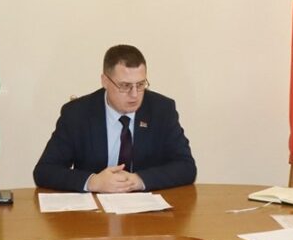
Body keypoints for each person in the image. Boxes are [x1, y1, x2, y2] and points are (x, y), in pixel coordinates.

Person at [34, 44, 196, 192]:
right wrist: (92, 182)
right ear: (105, 81)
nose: (134, 94)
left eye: (140, 85)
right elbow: (45, 171)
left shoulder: (162, 110)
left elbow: (186, 167)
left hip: (145, 209)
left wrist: (140, 180)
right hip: (93, 210)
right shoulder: (77, 114)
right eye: (125, 86)